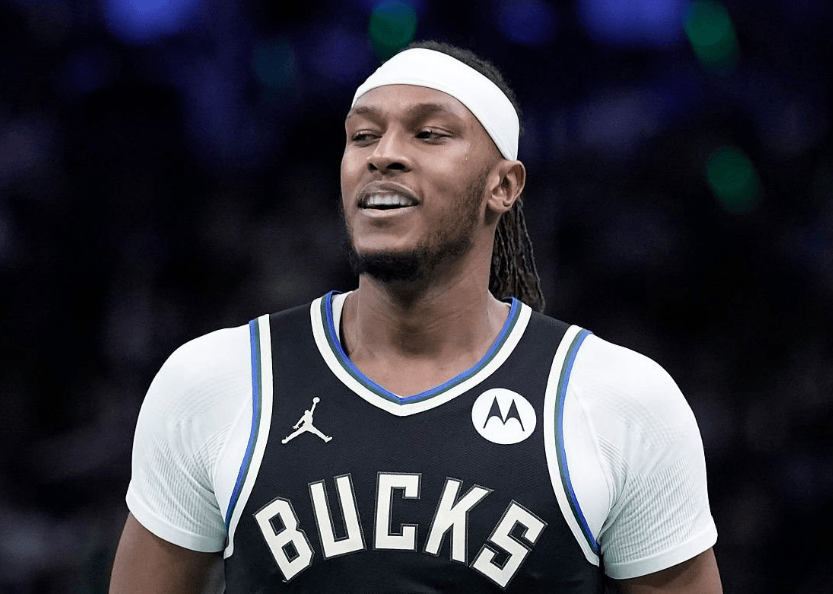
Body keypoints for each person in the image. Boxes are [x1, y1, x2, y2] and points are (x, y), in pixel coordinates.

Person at [109, 41, 722, 593]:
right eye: (362, 136)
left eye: (429, 134)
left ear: (504, 186)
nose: (384, 155)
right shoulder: (216, 380)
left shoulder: (618, 399)